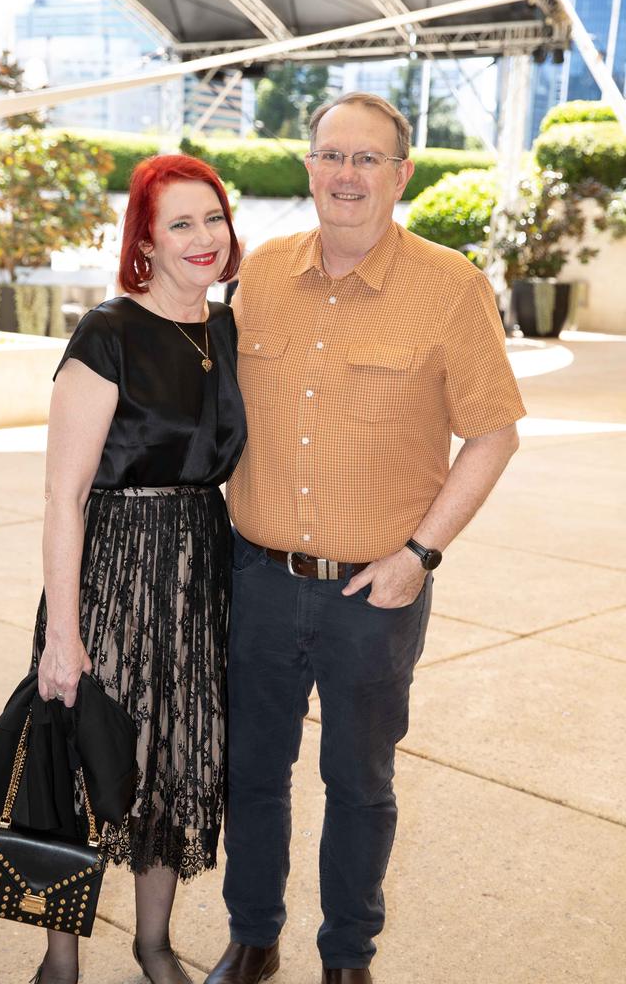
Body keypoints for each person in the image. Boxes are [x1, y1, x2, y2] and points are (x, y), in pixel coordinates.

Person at [205, 93, 526, 984]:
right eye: (331, 156)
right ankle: (254, 937)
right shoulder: (259, 273)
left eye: (368, 160)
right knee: (255, 776)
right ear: (308, 166)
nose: (346, 175)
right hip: (259, 579)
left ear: (401, 174)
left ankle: (347, 957)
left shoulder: (450, 286)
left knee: (360, 786)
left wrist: (418, 557)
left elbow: (494, 430)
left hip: (375, 594)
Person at [31, 154, 246, 984]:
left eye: (214, 219)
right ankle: (60, 960)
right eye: (179, 224)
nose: (202, 238)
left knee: (175, 763)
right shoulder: (107, 332)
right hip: (112, 570)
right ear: (145, 244)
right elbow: (63, 496)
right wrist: (63, 632)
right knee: (86, 763)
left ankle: (153, 944)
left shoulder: (230, 329)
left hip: (200, 571)